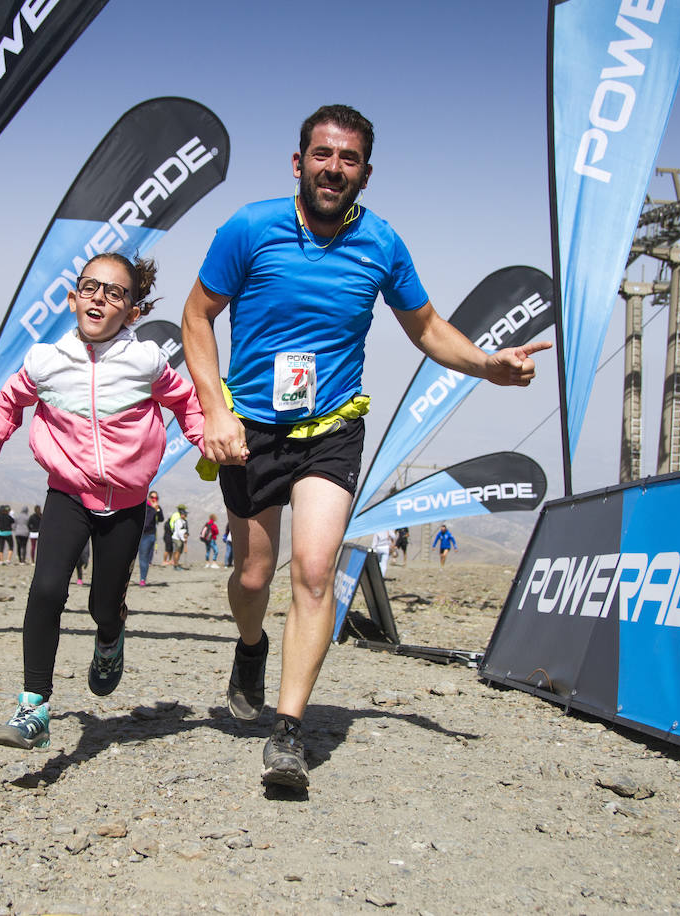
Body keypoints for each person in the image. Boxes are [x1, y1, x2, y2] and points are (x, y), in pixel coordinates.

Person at [181, 104, 550, 789]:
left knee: (315, 572)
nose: (334, 169)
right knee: (254, 577)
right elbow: (196, 314)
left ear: (365, 174)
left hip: (333, 426)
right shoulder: (250, 227)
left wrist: (488, 366)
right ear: (299, 163)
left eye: (348, 160)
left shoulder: (382, 243)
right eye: (322, 155)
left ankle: (288, 732)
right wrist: (213, 409)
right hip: (252, 428)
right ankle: (251, 645)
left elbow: (429, 327)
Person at [0, 252, 205, 750]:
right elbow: (11, 400)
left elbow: (184, 400)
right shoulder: (46, 362)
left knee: (103, 604)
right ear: (73, 298)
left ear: (133, 312)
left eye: (115, 293)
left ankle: (110, 636)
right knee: (47, 589)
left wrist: (206, 440)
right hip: (68, 494)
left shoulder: (147, 361)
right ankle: (34, 707)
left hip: (128, 504)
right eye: (91, 288)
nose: (100, 298)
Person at [138, 490, 164, 585]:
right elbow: (146, 522)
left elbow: (161, 519)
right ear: (149, 497)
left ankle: (143, 578)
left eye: (156, 498)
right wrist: (153, 509)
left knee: (146, 558)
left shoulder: (156, 508)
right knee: (142, 557)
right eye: (152, 497)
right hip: (142, 535)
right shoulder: (145, 506)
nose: (154, 499)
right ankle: (141, 579)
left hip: (150, 535)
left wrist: (157, 509)